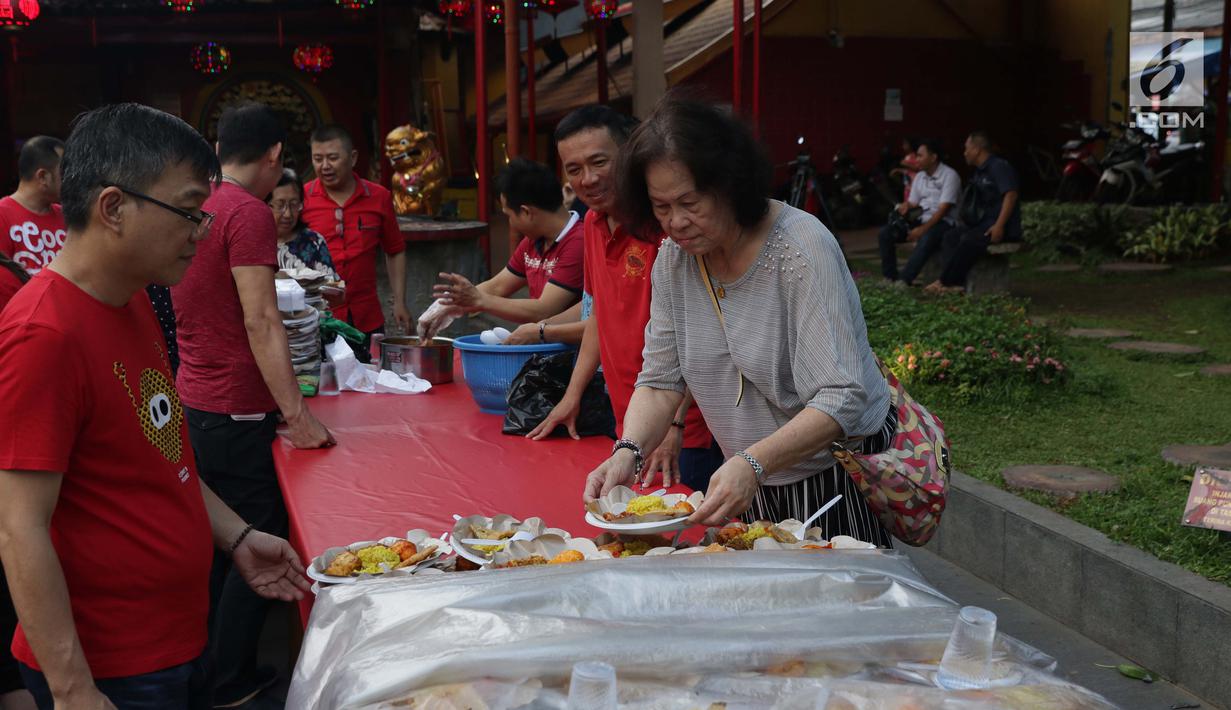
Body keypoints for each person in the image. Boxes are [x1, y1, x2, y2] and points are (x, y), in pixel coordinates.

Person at [0, 102, 309, 710]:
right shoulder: (44, 334)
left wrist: (238, 536)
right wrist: (72, 689)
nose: (201, 229)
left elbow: (162, 457)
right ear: (114, 208)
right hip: (112, 670)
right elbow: (18, 527)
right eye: (188, 210)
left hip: (174, 645)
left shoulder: (132, 299)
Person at [583, 97, 897, 546]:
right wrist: (628, 451)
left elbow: (843, 396)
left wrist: (754, 462)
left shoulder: (800, 248)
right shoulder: (674, 258)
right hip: (748, 479)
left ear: (730, 184)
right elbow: (659, 381)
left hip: (835, 478)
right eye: (661, 207)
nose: (676, 222)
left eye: (689, 202)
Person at [171, 102, 334, 707]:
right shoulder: (247, 212)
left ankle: (204, 665)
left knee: (217, 540)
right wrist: (297, 415)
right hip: (237, 406)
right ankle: (231, 679)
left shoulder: (200, 204)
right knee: (253, 535)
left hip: (196, 399)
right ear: (273, 158)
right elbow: (262, 318)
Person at [529, 105, 720, 492]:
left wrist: (673, 425)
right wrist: (572, 395)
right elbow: (600, 314)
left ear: (630, 155)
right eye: (574, 168)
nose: (589, 178)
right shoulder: (592, 224)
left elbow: (701, 333)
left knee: (691, 540)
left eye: (600, 161)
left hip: (687, 431)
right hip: (630, 422)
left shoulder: (667, 227)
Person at [420, 158, 583, 342]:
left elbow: (544, 308)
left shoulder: (578, 242)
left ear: (526, 212)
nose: (510, 223)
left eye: (508, 215)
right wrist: (447, 305)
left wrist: (479, 300)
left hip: (568, 349)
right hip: (543, 346)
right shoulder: (533, 241)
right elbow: (498, 285)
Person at [301, 124, 410, 360]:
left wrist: (399, 301)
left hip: (366, 314)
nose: (324, 166)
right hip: (317, 317)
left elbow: (395, 250)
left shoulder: (379, 197)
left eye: (332, 158)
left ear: (352, 158)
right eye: (317, 159)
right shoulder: (302, 199)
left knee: (369, 380)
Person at [924, 131, 1021, 295]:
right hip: (983, 224)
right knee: (950, 236)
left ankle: (946, 282)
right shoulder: (979, 171)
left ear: (977, 150)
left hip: (1000, 226)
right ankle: (956, 284)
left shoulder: (999, 167)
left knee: (969, 240)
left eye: (967, 148)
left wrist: (999, 225)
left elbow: (1011, 195)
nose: (964, 153)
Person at [877, 139, 960, 285]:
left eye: (920, 156)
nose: (917, 159)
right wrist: (906, 206)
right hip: (921, 217)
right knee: (885, 233)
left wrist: (921, 230)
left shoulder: (950, 176)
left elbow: (943, 210)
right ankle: (889, 277)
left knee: (926, 238)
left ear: (933, 157)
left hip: (944, 222)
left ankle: (904, 279)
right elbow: (913, 202)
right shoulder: (920, 176)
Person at [0, 136, 66, 276]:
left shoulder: (67, 216)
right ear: (43, 176)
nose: (70, 180)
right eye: (64, 173)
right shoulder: (2, 216)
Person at [268, 168, 339, 281]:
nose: (287, 214)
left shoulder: (314, 242)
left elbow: (332, 288)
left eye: (294, 204)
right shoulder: (251, 243)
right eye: (280, 205)